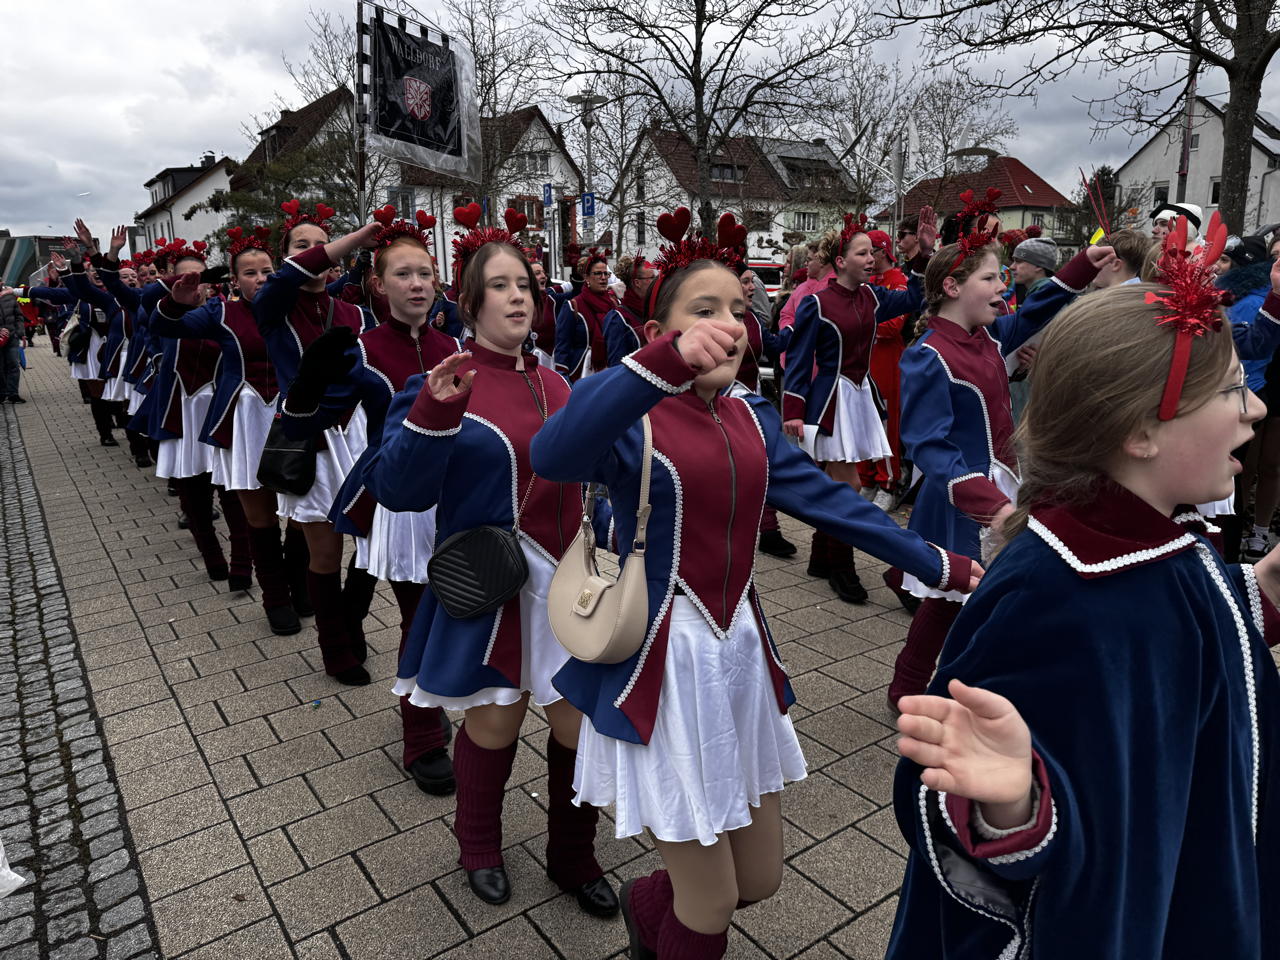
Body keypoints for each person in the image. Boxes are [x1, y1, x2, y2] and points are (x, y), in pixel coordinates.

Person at [530, 207, 978, 960]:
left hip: (739, 656)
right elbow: (552, 454)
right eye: (704, 311)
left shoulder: (750, 415)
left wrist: (936, 563)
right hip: (663, 664)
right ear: (658, 333)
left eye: (739, 310)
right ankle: (675, 925)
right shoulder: (632, 412)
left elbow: (828, 501)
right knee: (709, 904)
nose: (729, 326)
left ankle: (648, 907)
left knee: (758, 880)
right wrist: (660, 367)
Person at [888, 244, 1280, 959]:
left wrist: (1267, 587)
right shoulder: (1050, 588)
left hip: (1186, 882)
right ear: (1139, 431)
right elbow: (937, 789)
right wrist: (1013, 804)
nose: (1255, 406)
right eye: (1229, 391)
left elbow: (1183, 640)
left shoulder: (1157, 540)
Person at [365, 227, 617, 916]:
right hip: (491, 585)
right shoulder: (440, 382)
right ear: (471, 303)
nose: (517, 297)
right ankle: (478, 844)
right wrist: (433, 409)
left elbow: (591, 478)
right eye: (499, 286)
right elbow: (398, 490)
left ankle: (572, 854)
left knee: (577, 727)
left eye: (525, 285)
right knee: (495, 726)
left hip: (566, 586)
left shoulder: (560, 383)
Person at [886, 215, 1115, 708]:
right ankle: (912, 688)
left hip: (1005, 485)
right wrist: (984, 500)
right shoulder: (928, 354)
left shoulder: (988, 338)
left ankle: (945, 688)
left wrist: (1083, 264)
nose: (1002, 287)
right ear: (952, 287)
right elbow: (927, 444)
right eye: (990, 278)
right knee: (951, 600)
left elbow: (1038, 311)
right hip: (963, 498)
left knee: (971, 599)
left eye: (1003, 277)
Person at [279, 208, 461, 794]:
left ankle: (432, 698)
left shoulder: (456, 345)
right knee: (418, 617)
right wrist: (307, 387)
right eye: (403, 274)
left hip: (456, 498)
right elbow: (309, 420)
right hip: (403, 505)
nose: (417, 285)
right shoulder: (362, 349)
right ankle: (422, 736)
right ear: (379, 285)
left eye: (425, 274)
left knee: (452, 612)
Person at [147, 226, 307, 636]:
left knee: (302, 510)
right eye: (250, 273)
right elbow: (165, 327)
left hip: (291, 417)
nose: (261, 279)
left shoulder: (296, 307)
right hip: (243, 420)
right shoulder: (220, 313)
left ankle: (298, 582)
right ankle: (275, 598)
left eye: (267, 271)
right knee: (261, 517)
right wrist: (176, 303)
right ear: (234, 280)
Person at [782, 210, 938, 604]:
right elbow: (798, 359)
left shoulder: (871, 296)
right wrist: (793, 410)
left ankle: (822, 557)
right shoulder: (816, 303)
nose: (872, 259)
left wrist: (923, 254)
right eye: (863, 253)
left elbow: (915, 298)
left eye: (872, 253)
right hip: (830, 400)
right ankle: (841, 566)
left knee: (838, 486)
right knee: (849, 487)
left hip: (860, 396)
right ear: (840, 261)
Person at [253, 200, 378, 687]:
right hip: (310, 439)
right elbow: (287, 278)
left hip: (358, 436)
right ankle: (334, 647)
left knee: (372, 544)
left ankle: (351, 619)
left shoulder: (354, 313)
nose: (317, 253)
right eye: (302, 245)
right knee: (325, 554)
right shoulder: (273, 305)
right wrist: (351, 240)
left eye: (322, 244)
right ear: (286, 255)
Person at [1222, 238, 1280, 560]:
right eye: (1275, 255)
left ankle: (1253, 534)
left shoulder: (1254, 300)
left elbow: (1256, 344)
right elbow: (1254, 342)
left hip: (1257, 389)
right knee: (1240, 471)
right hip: (1250, 388)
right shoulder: (1228, 301)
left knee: (1265, 465)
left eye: (1225, 261)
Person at [735, 265, 796, 558]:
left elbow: (775, 345)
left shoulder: (752, 319)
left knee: (761, 464)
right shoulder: (711, 319)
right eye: (746, 282)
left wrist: (795, 322)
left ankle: (769, 530)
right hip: (723, 404)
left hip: (751, 401)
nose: (752, 287)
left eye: (753, 281)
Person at [856, 229, 910, 508]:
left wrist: (859, 324)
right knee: (862, 420)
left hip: (887, 361)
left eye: (870, 252)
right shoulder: (865, 283)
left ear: (882, 252)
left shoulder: (897, 280)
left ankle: (888, 483)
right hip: (864, 360)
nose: (866, 258)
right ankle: (866, 479)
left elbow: (893, 326)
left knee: (885, 423)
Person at [1005, 235, 1060, 424]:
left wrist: (1043, 359)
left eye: (1019, 261)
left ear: (1038, 266)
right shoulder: (1040, 295)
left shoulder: (1048, 300)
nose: (1012, 267)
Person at [556, 249, 618, 380]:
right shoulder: (573, 306)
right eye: (598, 273)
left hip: (610, 373)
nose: (603, 278)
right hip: (581, 374)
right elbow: (562, 347)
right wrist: (563, 377)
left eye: (606, 274)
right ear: (587, 277)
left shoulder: (613, 304)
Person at [602, 254, 656, 367]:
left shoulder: (654, 309)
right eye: (651, 278)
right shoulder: (618, 318)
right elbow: (616, 365)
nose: (655, 281)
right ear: (637, 283)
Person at [1090, 227, 1155, 289]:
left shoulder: (1117, 296)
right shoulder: (1146, 293)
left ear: (1116, 264)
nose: (1092, 265)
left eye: (1098, 259)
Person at [0, 286, 24, 403]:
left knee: (14, 364)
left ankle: (13, 394)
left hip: (12, 337)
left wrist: (19, 332)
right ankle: (2, 393)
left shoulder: (9, 296)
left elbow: (19, 316)